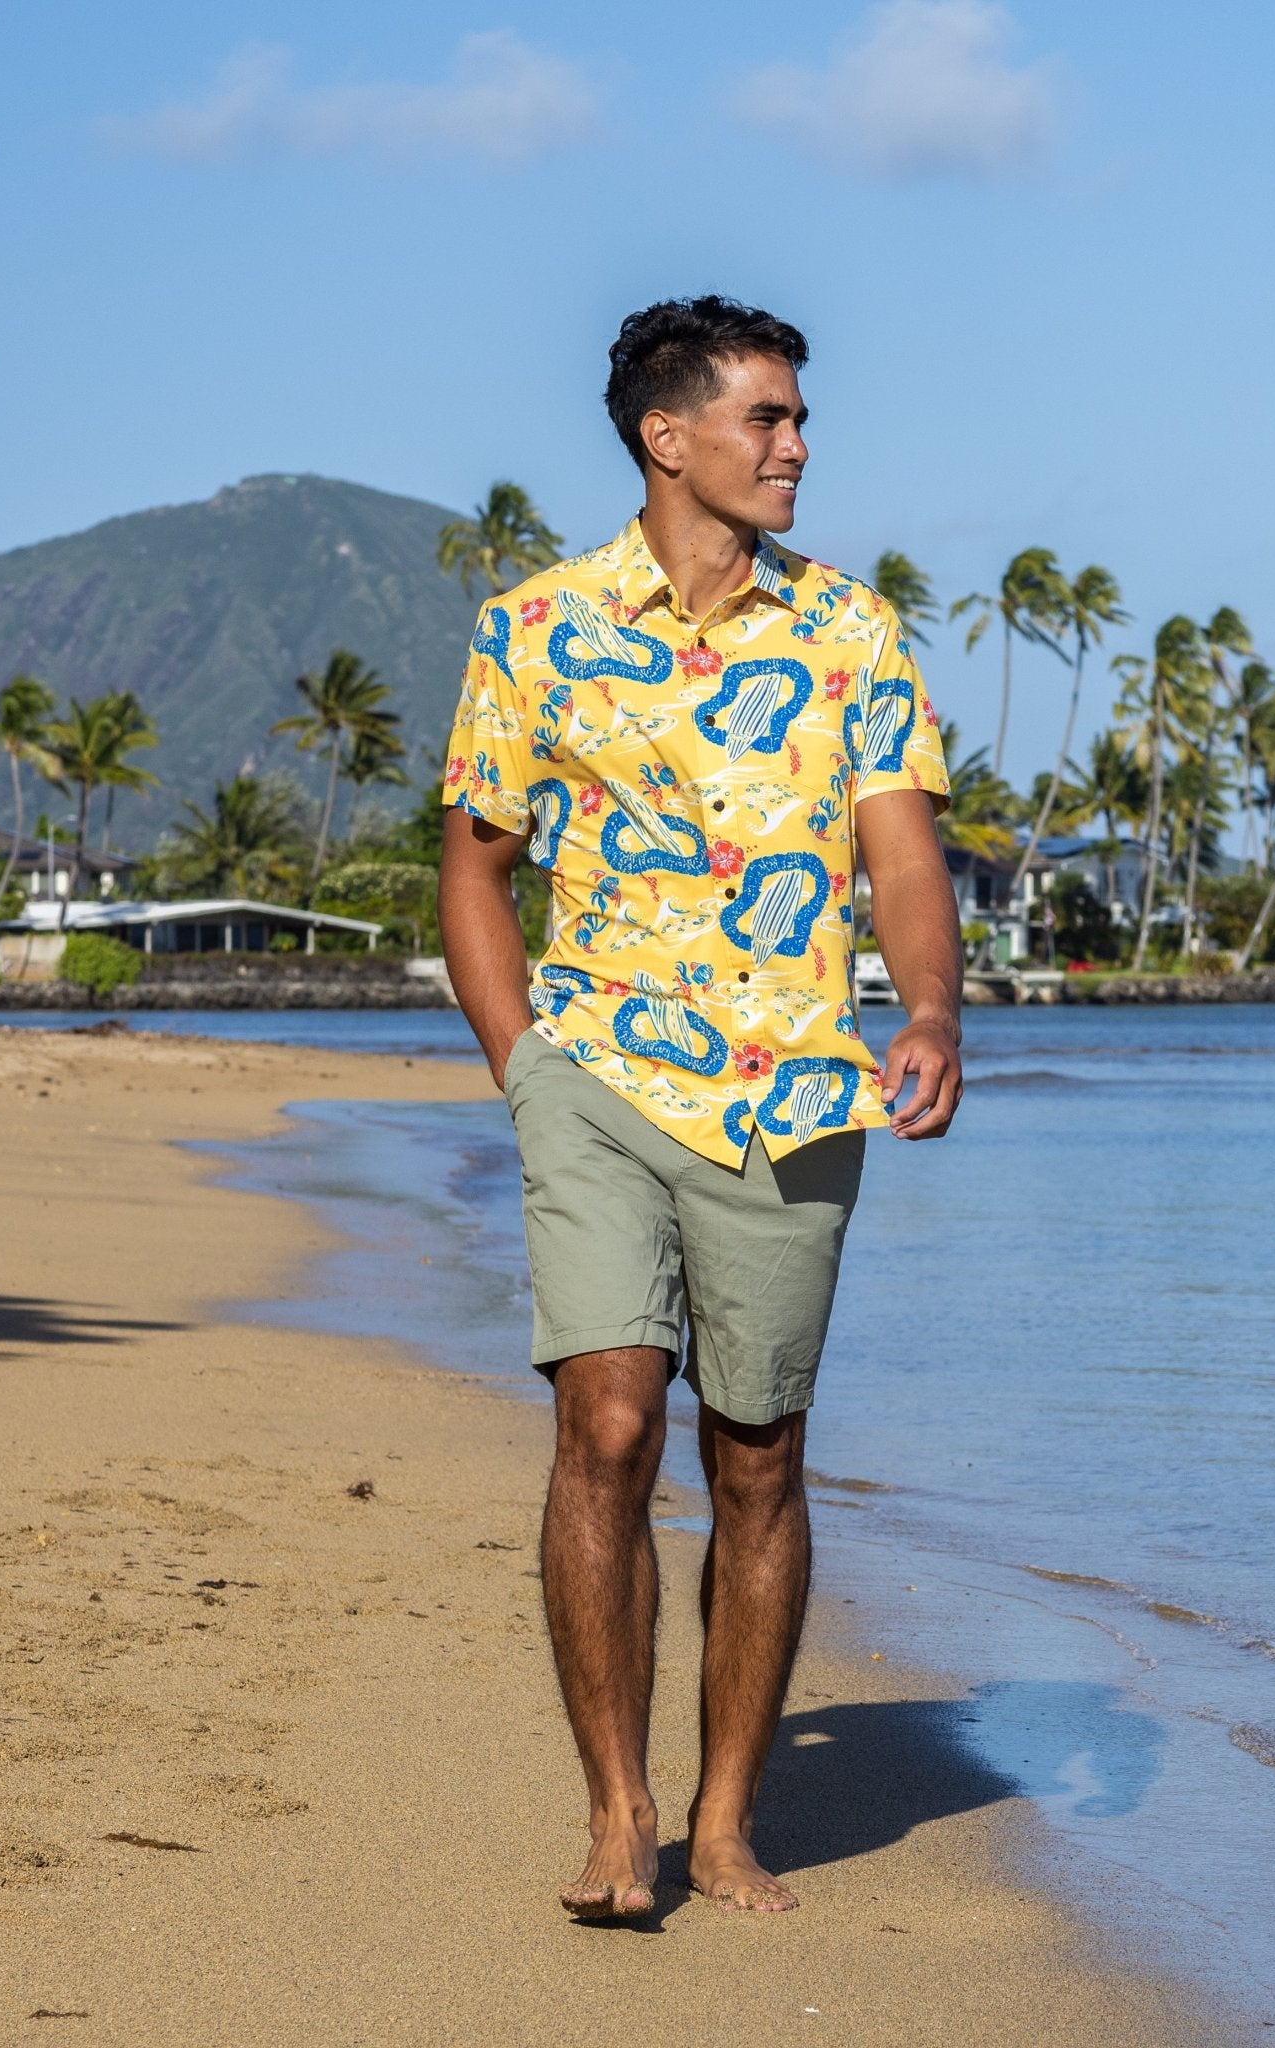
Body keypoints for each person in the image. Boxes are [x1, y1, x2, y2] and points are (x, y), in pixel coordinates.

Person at [437, 295, 964, 1920]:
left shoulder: (854, 631)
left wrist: (932, 1005)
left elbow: (900, 851)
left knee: (758, 1455)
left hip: (797, 1092)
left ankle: (726, 1818)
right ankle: (619, 1812)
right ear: (671, 437)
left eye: (800, 420)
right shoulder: (534, 628)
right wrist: (523, 1059)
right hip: (594, 1075)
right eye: (768, 418)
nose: (797, 445)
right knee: (605, 1418)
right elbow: (474, 864)